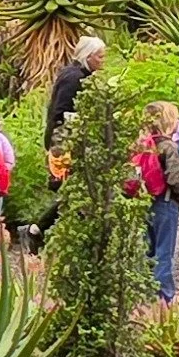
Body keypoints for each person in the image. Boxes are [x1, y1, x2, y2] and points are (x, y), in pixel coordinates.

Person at [32, 35, 107, 243]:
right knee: (74, 190)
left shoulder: (79, 74)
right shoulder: (74, 78)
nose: (103, 61)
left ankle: (44, 230)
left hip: (71, 140)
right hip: (64, 141)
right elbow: (61, 112)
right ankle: (39, 230)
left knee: (76, 191)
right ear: (88, 57)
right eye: (100, 57)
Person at [132, 101, 179, 303]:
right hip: (165, 202)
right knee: (164, 250)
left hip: (144, 201)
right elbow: (175, 178)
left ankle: (145, 291)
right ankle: (164, 295)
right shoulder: (168, 146)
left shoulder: (140, 145)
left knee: (148, 247)